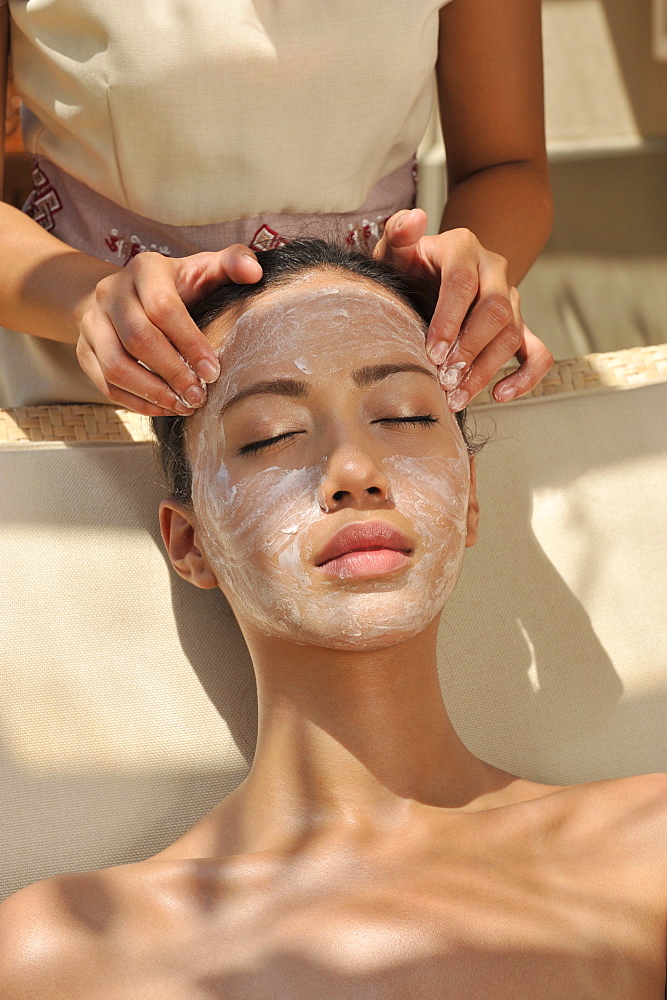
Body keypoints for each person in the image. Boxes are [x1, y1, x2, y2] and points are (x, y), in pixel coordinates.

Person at [0, 240, 664, 999]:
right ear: (191, 543)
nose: (353, 471)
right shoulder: (61, 950)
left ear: (471, 498)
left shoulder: (646, 853)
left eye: (405, 416)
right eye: (270, 435)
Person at [0, 0, 553, 417]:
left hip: (379, 393)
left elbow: (506, 167)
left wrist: (465, 291)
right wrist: (87, 301)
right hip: (96, 397)